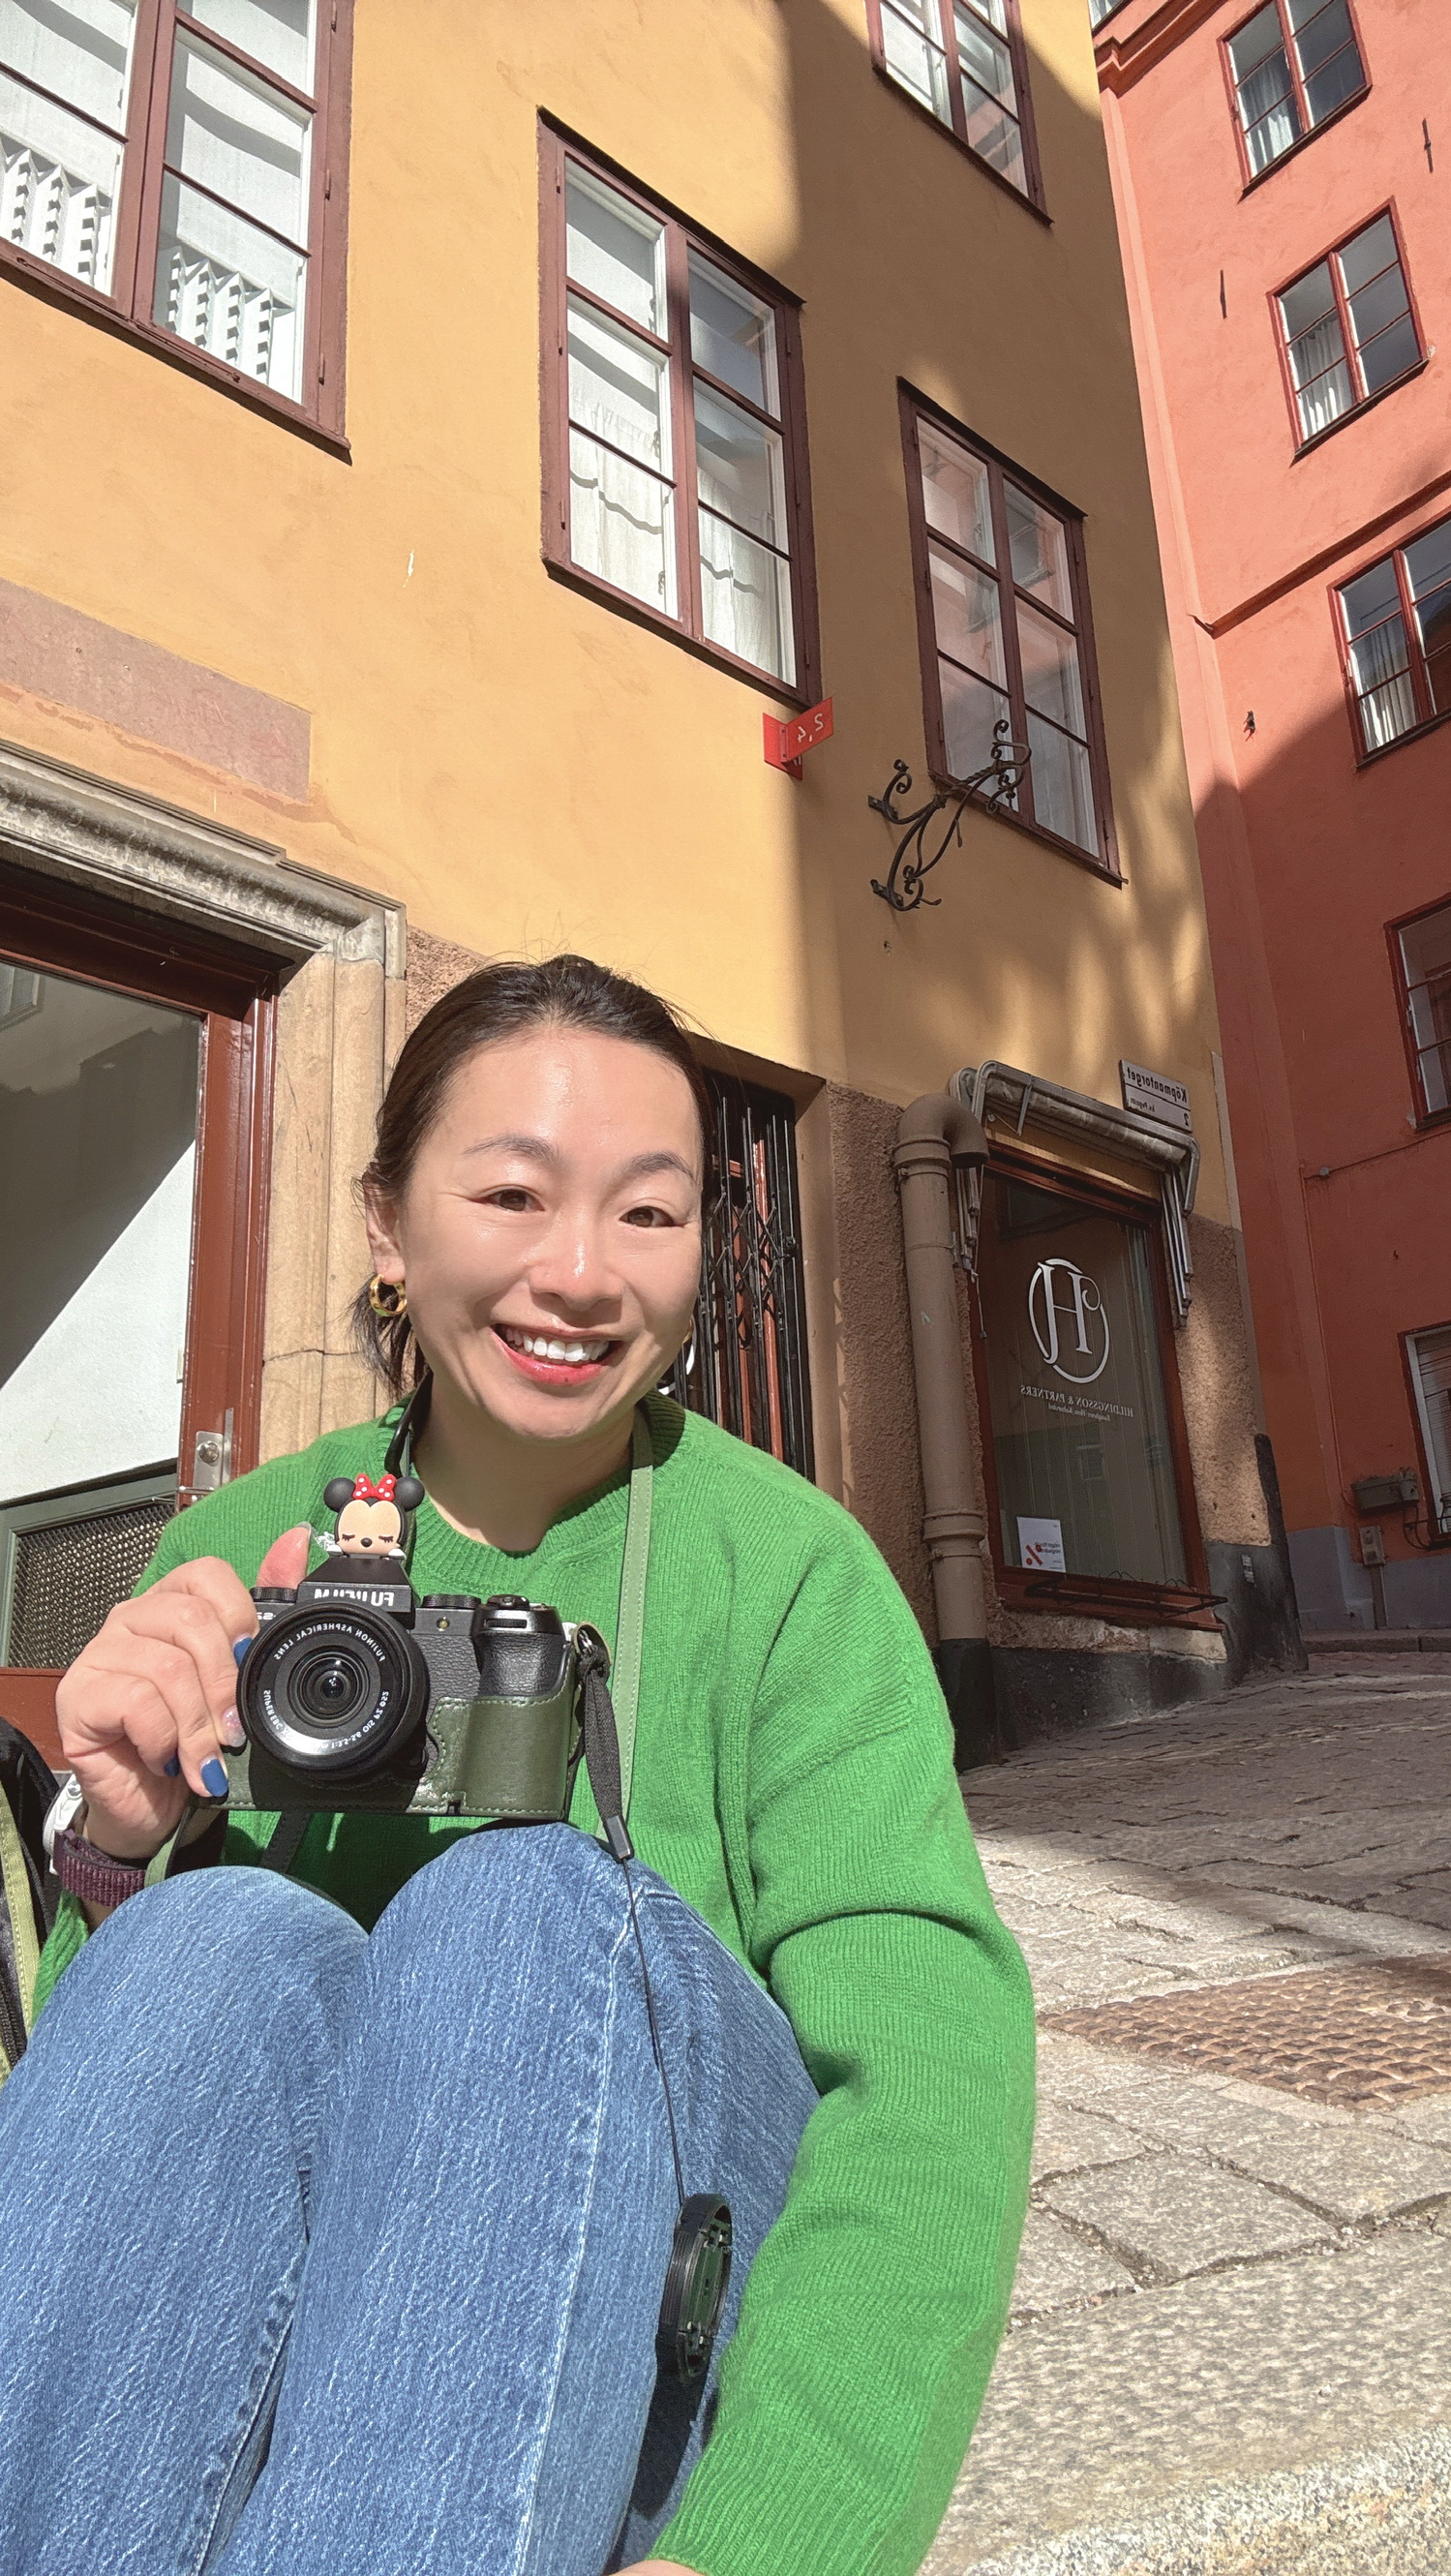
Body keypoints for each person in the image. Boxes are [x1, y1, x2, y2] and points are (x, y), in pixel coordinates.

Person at [0, 955, 1035, 2576]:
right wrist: (122, 1857)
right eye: (512, 1194)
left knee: (518, 1909)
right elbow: (106, 2134)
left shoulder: (789, 1574)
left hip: (658, 2304)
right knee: (210, 1937)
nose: (581, 1274)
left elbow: (928, 2075)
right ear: (387, 1225)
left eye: (650, 1211)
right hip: (285, 2341)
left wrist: (764, 2548)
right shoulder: (239, 1550)